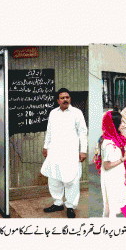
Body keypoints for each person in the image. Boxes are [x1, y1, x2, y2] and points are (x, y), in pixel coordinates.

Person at [41, 88, 88, 218]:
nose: (65, 99)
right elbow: (49, 131)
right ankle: (57, 203)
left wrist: (83, 151)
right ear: (58, 100)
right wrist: (45, 147)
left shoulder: (77, 113)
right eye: (62, 98)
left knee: (71, 179)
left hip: (71, 153)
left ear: (70, 99)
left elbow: (83, 132)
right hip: (55, 152)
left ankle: (70, 206)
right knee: (54, 178)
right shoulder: (53, 113)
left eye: (67, 97)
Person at [97, 109, 126, 218]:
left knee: (121, 202)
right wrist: (124, 158)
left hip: (118, 176)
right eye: (121, 122)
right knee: (117, 205)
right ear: (114, 125)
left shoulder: (117, 138)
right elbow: (107, 165)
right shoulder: (109, 144)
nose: (123, 124)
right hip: (113, 178)